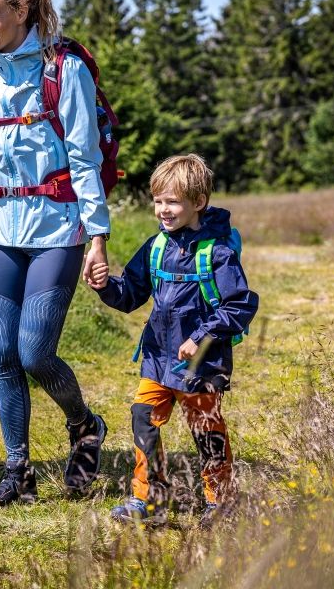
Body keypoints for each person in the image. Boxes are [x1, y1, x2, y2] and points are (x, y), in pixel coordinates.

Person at [0, 0, 111, 507]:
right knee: (2, 354)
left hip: (57, 230)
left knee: (35, 352)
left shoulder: (64, 69)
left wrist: (98, 237)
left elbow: (84, 158)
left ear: (21, 11)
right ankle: (18, 471)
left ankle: (85, 426)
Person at [87, 154, 259, 527]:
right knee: (142, 417)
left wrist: (201, 338)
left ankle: (222, 502)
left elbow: (241, 304)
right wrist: (105, 286)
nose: (163, 210)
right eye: (158, 201)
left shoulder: (218, 252)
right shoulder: (155, 247)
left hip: (202, 360)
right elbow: (131, 293)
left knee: (206, 429)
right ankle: (151, 500)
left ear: (198, 202)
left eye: (173, 202)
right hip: (157, 355)